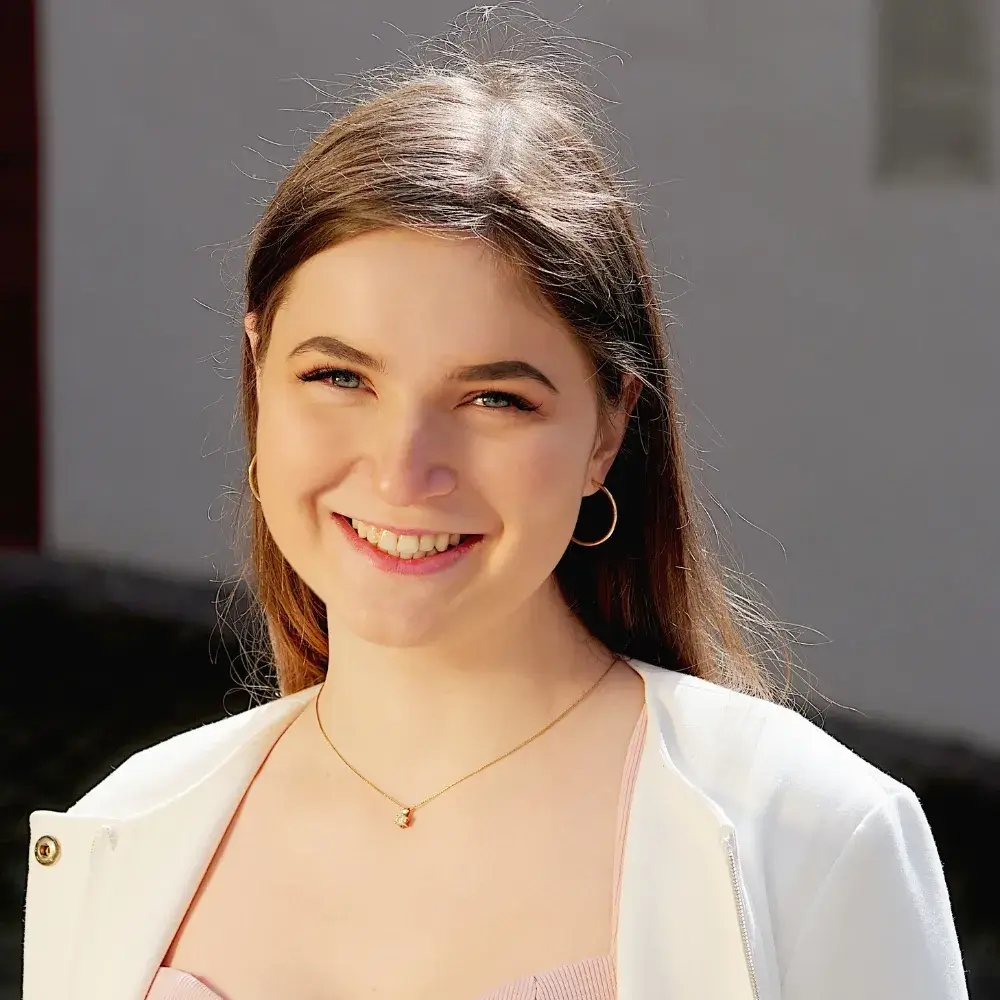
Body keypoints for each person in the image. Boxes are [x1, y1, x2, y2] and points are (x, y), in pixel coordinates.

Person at [22, 23, 968, 1000]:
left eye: (494, 398)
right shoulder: (119, 836)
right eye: (339, 375)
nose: (403, 468)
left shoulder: (811, 837)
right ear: (259, 371)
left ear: (608, 430)